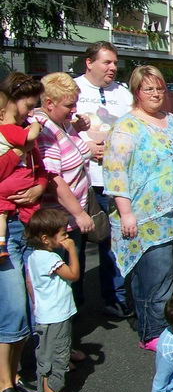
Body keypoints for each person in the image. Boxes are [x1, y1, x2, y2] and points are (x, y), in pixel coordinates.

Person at [104, 65, 173, 351]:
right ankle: (151, 332)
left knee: (166, 275)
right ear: (136, 92)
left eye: (159, 88)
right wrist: (125, 211)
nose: (155, 94)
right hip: (144, 218)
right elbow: (115, 171)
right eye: (148, 89)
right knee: (155, 278)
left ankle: (156, 325)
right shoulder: (126, 126)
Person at [74, 41, 133, 319]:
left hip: (115, 181)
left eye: (114, 62)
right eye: (106, 62)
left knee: (113, 241)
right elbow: (58, 130)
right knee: (78, 242)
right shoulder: (73, 89)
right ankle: (75, 300)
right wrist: (86, 146)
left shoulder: (122, 93)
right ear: (89, 62)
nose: (112, 67)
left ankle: (115, 296)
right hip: (82, 181)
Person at [0, 73, 46, 392]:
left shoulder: (26, 131)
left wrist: (38, 188)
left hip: (28, 223)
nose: (33, 108)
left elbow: (42, 170)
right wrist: (20, 149)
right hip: (7, 225)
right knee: (13, 308)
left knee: (27, 308)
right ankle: (4, 382)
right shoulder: (9, 136)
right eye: (29, 101)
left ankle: (14, 373)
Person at [33, 72, 94, 308]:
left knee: (73, 285)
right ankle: (60, 343)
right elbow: (53, 178)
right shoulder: (45, 131)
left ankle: (68, 340)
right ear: (49, 103)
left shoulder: (62, 124)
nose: (74, 109)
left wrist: (76, 127)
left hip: (71, 219)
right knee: (62, 288)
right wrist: (79, 212)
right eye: (69, 105)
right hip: (60, 221)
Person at [25, 209, 80, 392]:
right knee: (57, 356)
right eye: (63, 234)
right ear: (46, 238)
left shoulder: (33, 257)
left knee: (44, 355)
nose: (67, 237)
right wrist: (72, 250)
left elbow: (30, 284)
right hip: (56, 316)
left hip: (45, 314)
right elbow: (73, 274)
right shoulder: (50, 259)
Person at [0, 91, 41, 260]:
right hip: (16, 217)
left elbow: (39, 168)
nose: (31, 114)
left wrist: (40, 187)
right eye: (28, 107)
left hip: (23, 215)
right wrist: (36, 126)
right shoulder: (11, 130)